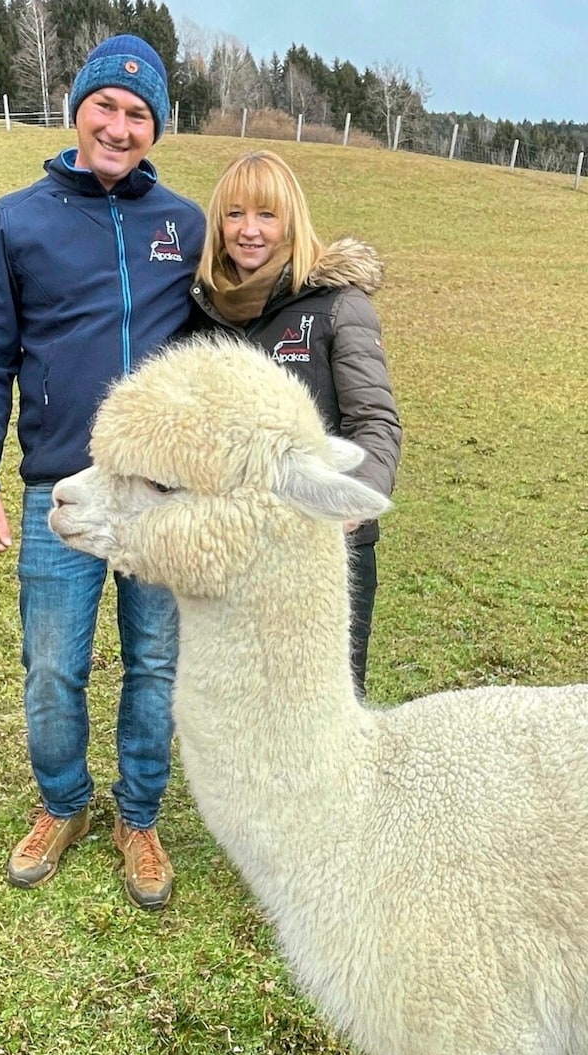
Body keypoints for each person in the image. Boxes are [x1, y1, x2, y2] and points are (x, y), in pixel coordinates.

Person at [0, 35, 205, 910]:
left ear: (156, 128)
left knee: (155, 661)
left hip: (162, 497)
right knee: (54, 663)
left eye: (139, 114)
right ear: (77, 108)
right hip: (59, 487)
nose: (120, 126)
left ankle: (139, 814)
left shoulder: (186, 224)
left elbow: (243, 315)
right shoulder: (14, 219)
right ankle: (63, 802)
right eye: (108, 105)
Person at [190, 150, 401, 698]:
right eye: (234, 215)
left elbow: (375, 422)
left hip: (322, 549)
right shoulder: (202, 309)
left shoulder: (337, 305)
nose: (249, 231)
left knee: (320, 704)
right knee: (245, 705)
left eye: (266, 215)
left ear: (291, 221)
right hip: (236, 552)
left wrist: (347, 506)